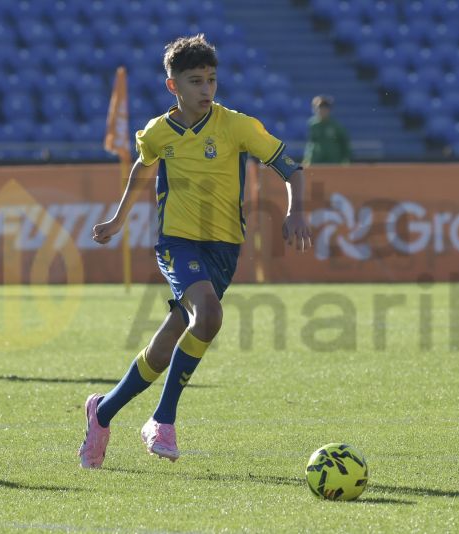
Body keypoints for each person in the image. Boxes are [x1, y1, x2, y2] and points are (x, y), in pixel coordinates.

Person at [78, 34, 312, 468]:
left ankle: (103, 412)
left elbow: (291, 169)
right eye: (195, 81)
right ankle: (162, 421)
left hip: (224, 249)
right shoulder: (157, 132)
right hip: (176, 241)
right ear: (174, 87)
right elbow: (141, 170)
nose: (206, 90)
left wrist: (296, 212)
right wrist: (118, 219)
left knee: (167, 342)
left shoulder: (237, 126)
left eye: (211, 80)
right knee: (209, 316)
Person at [303, 95, 351, 165]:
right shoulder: (311, 125)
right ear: (315, 109)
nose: (322, 110)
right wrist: (307, 158)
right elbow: (309, 144)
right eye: (320, 108)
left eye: (325, 108)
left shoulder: (336, 126)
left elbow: (344, 143)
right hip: (316, 161)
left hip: (333, 162)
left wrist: (345, 159)